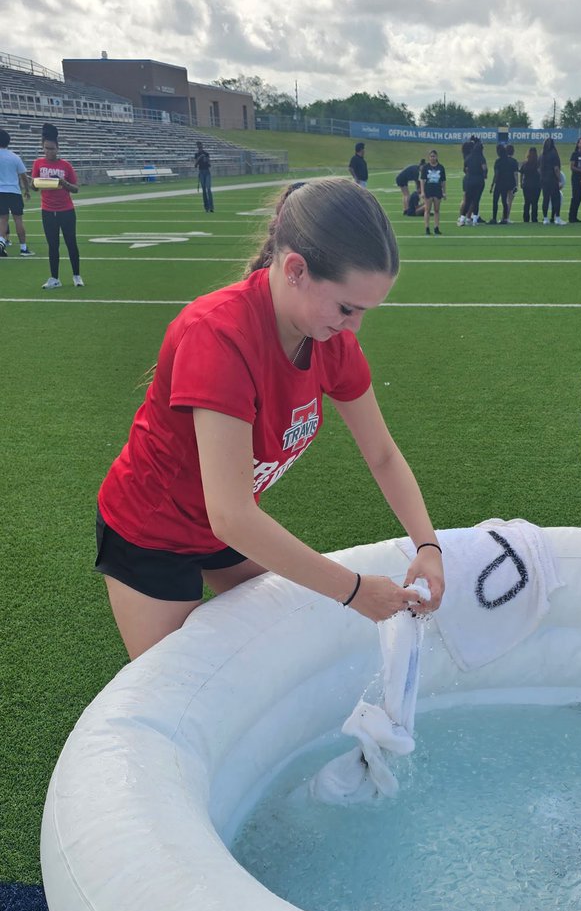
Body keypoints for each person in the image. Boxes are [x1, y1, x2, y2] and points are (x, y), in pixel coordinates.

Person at [94, 178, 445, 660]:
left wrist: (428, 546)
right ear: (296, 269)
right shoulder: (218, 336)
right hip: (151, 532)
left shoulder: (329, 341)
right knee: (182, 684)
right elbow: (231, 515)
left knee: (278, 649)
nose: (354, 326)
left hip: (225, 527)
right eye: (347, 307)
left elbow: (382, 454)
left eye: (364, 311)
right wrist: (355, 590)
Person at [32, 123, 82, 289]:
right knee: (53, 245)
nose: (49, 152)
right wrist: (33, 182)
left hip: (66, 210)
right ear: (42, 147)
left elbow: (76, 188)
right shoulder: (38, 164)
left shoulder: (65, 165)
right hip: (47, 210)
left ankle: (76, 275)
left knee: (71, 243)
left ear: (58, 148)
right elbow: (34, 186)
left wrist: (63, 183)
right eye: (46, 148)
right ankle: (54, 278)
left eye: (52, 149)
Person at [0, 127, 34, 256]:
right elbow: (23, 176)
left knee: (2, 220)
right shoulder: (14, 157)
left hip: (0, 192)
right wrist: (27, 190)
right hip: (14, 191)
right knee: (18, 220)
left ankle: (1, 245)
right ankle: (23, 248)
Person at [460, 137, 487, 224]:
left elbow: (465, 169)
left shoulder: (468, 157)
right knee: (475, 200)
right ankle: (473, 218)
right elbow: (484, 168)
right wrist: (484, 175)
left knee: (467, 199)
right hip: (478, 179)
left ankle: (463, 217)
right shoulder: (480, 157)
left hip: (469, 179)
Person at [489, 142, 517, 223]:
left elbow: (496, 174)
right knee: (504, 201)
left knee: (495, 201)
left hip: (499, 183)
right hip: (506, 184)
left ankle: (494, 218)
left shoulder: (498, 161)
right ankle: (504, 219)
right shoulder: (509, 161)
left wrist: (492, 185)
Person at [420, 149, 446, 235]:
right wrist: (422, 192)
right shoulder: (425, 167)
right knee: (427, 210)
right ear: (429, 157)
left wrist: (444, 192)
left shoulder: (441, 167)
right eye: (431, 156)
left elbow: (443, 181)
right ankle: (427, 228)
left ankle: (436, 227)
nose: (432, 158)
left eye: (434, 156)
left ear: (437, 157)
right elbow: (422, 180)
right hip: (428, 190)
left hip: (437, 190)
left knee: (437, 210)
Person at [540, 137, 563, 225]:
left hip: (544, 179)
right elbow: (556, 168)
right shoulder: (554, 153)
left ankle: (545, 218)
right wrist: (559, 180)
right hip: (552, 179)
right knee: (555, 199)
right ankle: (557, 218)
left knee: (545, 199)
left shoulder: (542, 154)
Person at [567, 136, 581, 222]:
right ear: (578, 144)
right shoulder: (575, 154)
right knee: (575, 197)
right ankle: (571, 216)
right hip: (575, 178)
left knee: (579, 198)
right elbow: (572, 167)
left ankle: (575, 216)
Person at [519, 146, 541, 223]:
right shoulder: (538, 163)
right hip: (536, 185)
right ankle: (534, 218)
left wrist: (521, 182)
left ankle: (526, 218)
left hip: (526, 185)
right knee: (535, 203)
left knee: (527, 202)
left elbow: (521, 173)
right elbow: (540, 173)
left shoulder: (525, 163)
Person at [194, 141, 214, 212]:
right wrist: (200, 157)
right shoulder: (196, 154)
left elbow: (209, 164)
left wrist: (206, 159)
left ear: (202, 146)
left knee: (208, 189)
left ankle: (211, 207)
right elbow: (195, 165)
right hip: (201, 172)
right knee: (204, 191)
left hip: (207, 172)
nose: (199, 147)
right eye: (198, 145)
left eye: (200, 145)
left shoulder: (206, 153)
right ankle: (206, 208)